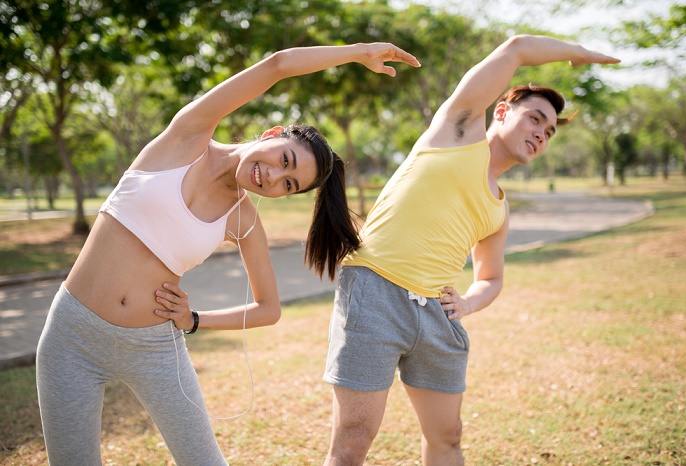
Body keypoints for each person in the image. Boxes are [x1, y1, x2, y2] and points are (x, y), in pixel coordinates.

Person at [35, 43, 420, 465]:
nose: (273, 177)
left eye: (288, 184)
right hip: (72, 335)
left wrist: (194, 320)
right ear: (272, 136)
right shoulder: (188, 136)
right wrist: (356, 53)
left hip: (153, 348)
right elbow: (276, 65)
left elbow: (268, 308)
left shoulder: (244, 219)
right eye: (284, 160)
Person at [322, 34, 620, 465]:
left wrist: (467, 303)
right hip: (374, 291)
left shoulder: (499, 209)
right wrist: (579, 53)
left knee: (448, 436)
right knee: (354, 439)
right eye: (535, 119)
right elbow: (515, 49)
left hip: (435, 315)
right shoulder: (457, 131)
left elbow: (491, 278)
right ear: (500, 111)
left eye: (550, 131)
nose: (542, 133)